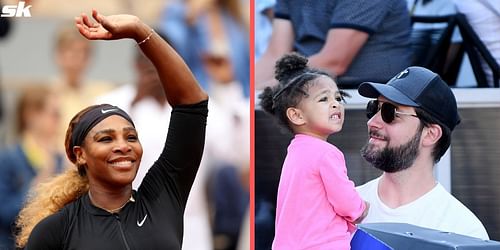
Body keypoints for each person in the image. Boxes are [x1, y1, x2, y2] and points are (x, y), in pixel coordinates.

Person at [15, 9, 208, 249]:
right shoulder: (55, 230)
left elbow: (192, 105)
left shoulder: (162, 197)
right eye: (106, 139)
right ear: (79, 154)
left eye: (131, 137)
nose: (123, 146)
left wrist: (140, 30)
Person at [356, 66, 489, 240]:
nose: (372, 122)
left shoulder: (463, 231)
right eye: (374, 108)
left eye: (390, 112)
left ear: (430, 134)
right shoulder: (341, 206)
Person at [259, 53, 369, 249]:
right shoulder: (326, 153)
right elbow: (346, 202)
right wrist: (361, 208)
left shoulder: (295, 151)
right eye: (323, 99)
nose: (335, 104)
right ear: (297, 115)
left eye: (338, 97)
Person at [255, 0, 412, 90]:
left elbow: (333, 63)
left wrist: (262, 91)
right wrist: (248, 91)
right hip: (308, 90)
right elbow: (275, 54)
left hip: (365, 98)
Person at [0, 85, 65, 249]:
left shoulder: (62, 158)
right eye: (54, 114)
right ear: (31, 115)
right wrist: (42, 180)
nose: (59, 120)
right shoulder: (8, 158)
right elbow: (5, 213)